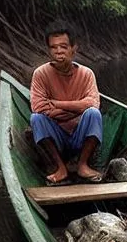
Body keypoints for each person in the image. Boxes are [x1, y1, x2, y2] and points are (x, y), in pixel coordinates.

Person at [30, 23, 103, 185]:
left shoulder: (86, 74)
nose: (58, 51)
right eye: (53, 47)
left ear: (73, 48)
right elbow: (39, 107)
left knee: (93, 114)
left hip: (79, 135)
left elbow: (93, 103)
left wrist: (57, 104)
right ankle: (60, 167)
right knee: (36, 118)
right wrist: (77, 110)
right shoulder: (41, 74)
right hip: (56, 137)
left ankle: (82, 165)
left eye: (63, 46)